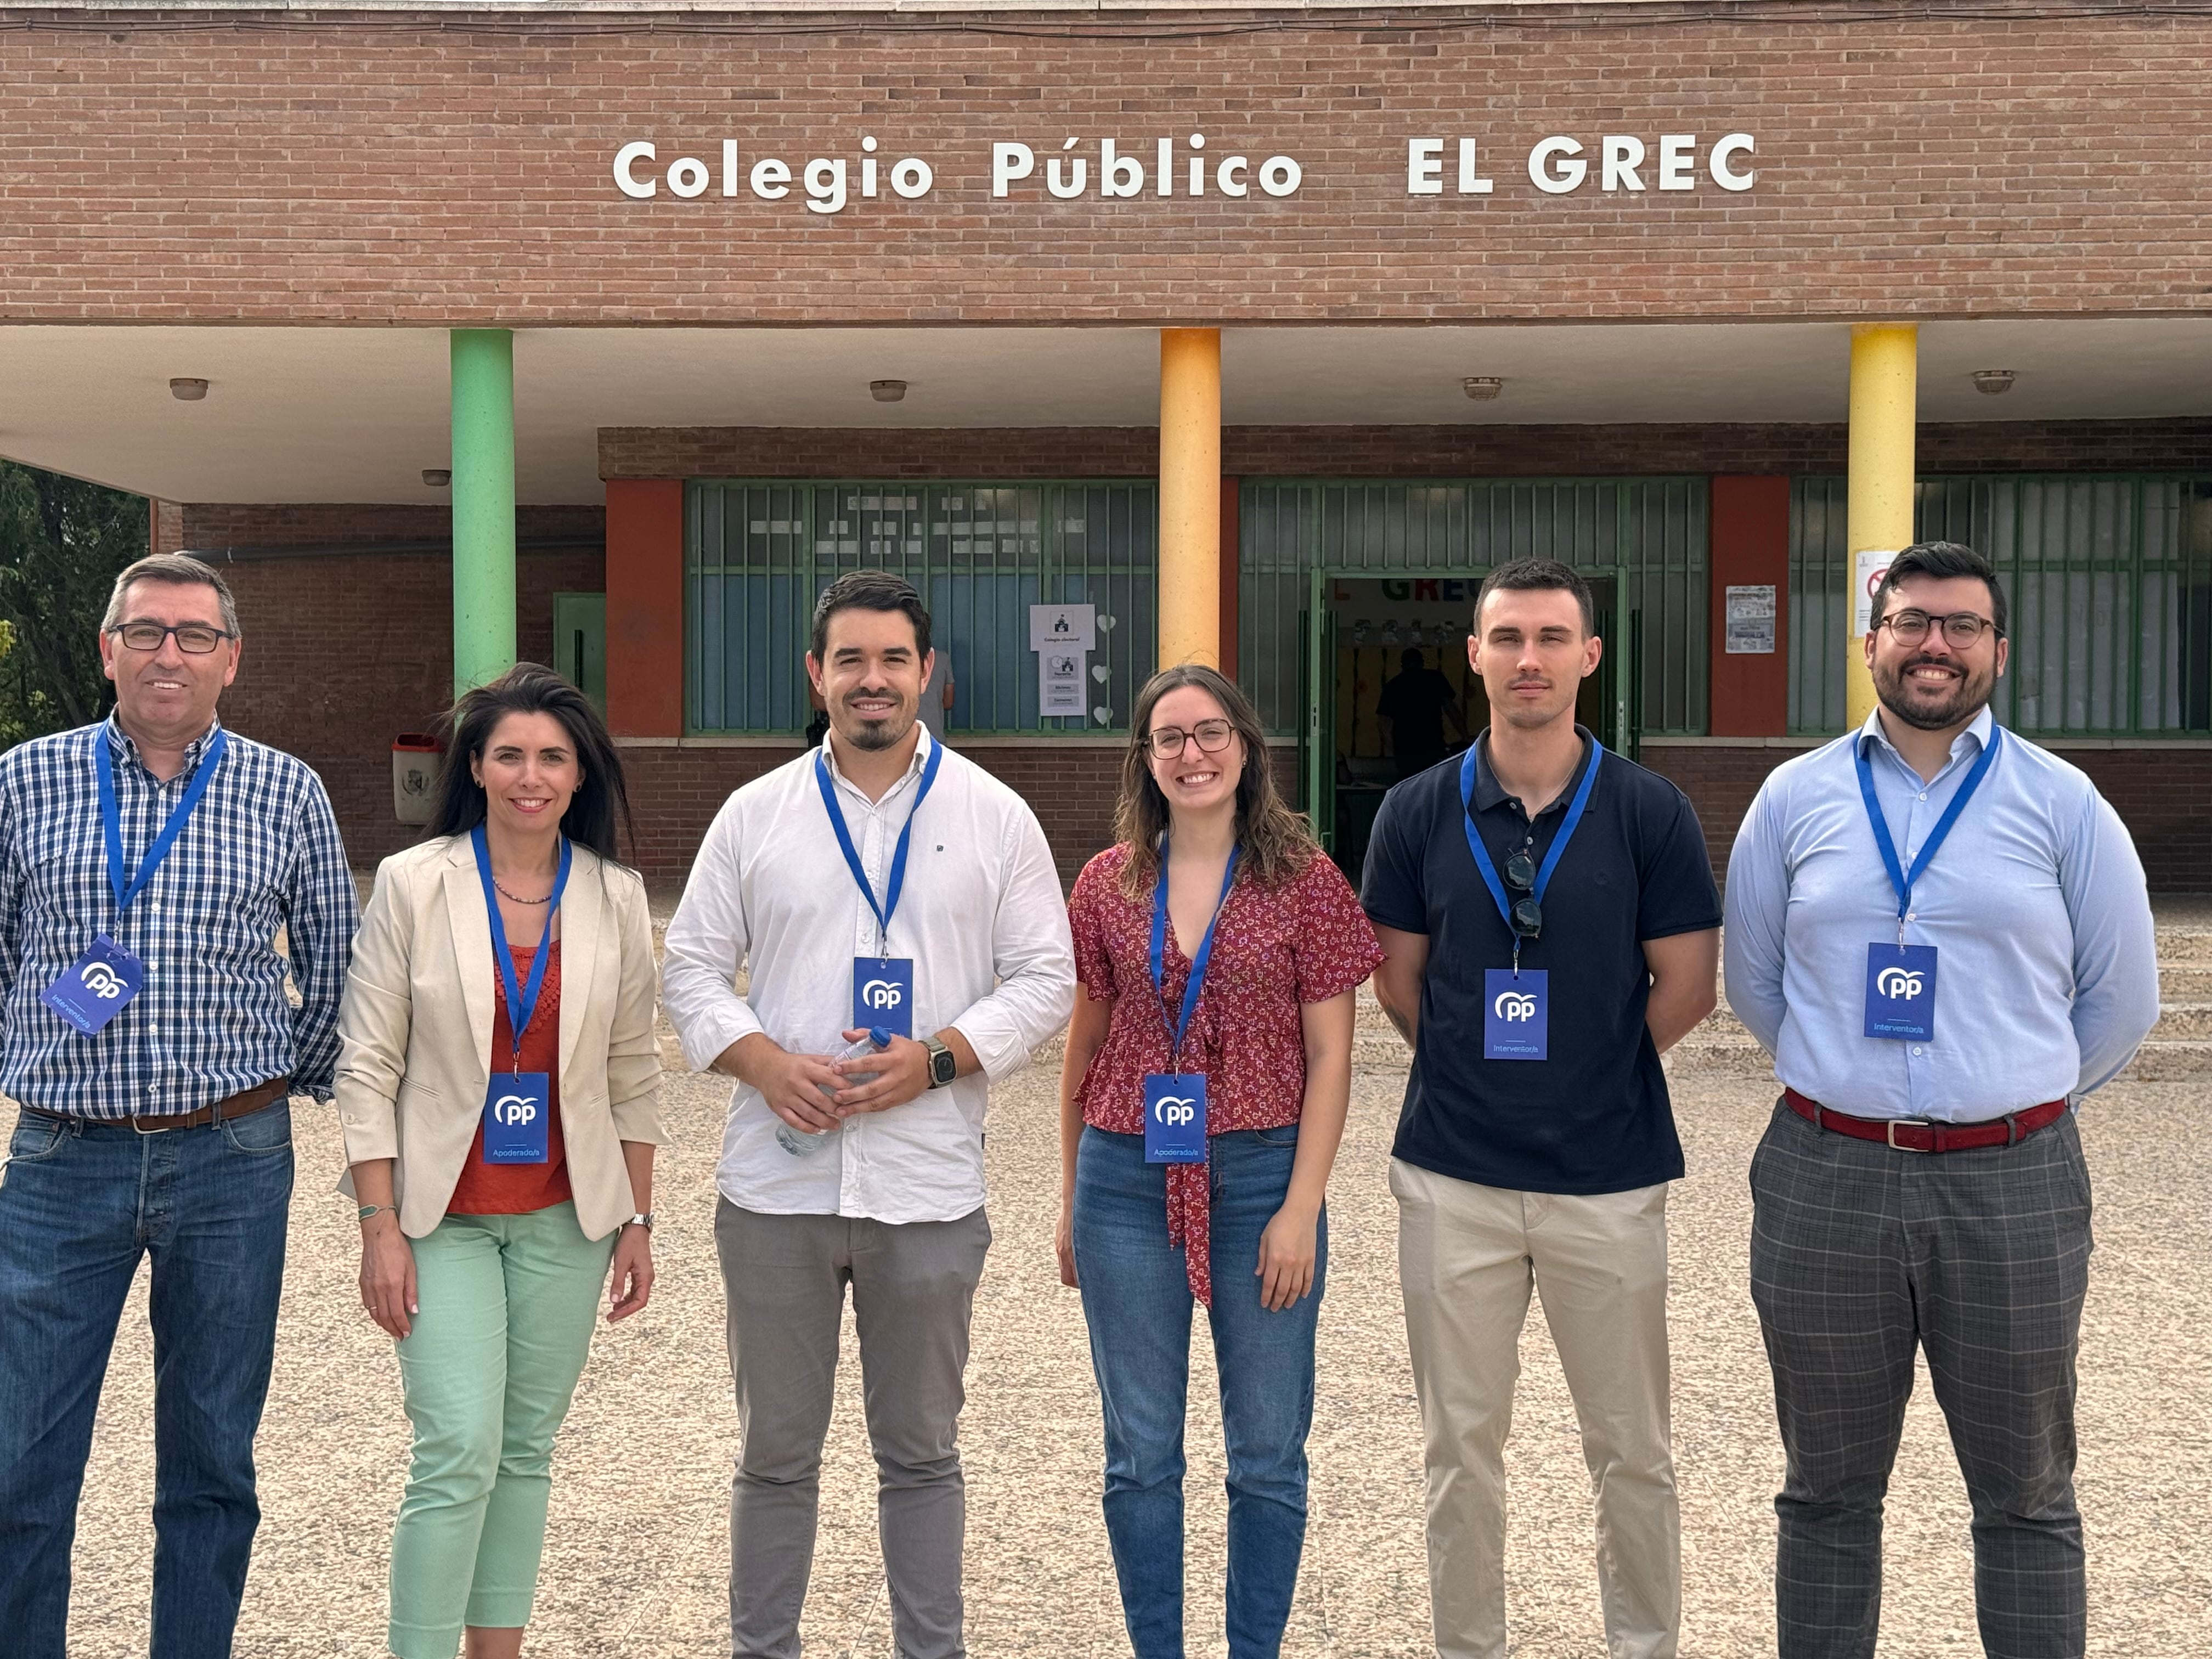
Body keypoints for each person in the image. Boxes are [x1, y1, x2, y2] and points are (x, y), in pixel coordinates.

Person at [1723, 540, 2158, 1659]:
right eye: (1913, 621)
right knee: (1824, 1493)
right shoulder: (1794, 797)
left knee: (2026, 1495)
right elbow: (1758, 981)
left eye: (1963, 626)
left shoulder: (2063, 805)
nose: (1936, 645)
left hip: (2012, 1181)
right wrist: (1853, 1087)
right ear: (1871, 642)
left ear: (1997, 652)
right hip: (1827, 1174)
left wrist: (2012, 1100)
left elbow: (2121, 997)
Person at [662, 569, 1074, 1659]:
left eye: (894, 659)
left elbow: (1046, 977)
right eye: (850, 659)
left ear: (927, 673)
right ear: (817, 674)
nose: (873, 679)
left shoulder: (995, 815)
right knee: (775, 1457)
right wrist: (761, 1063)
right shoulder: (756, 815)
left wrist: (937, 1058)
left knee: (923, 1455)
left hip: (928, 1189)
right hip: (778, 1184)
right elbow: (691, 966)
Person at [0, 552, 359, 1659]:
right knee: (22, 1456)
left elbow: (338, 967)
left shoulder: (287, 789)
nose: (169, 653)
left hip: (231, 1164)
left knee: (211, 1459)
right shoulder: (23, 781)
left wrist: (272, 1082)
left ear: (232, 660)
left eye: (195, 636)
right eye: (147, 631)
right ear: (110, 650)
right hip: (65, 1162)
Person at [1361, 557, 1720, 1659]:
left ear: (1589, 657)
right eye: (1508, 637)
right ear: (1474, 654)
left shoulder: (1649, 810)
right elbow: (1397, 981)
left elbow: (1690, 985)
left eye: (1552, 638)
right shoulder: (1416, 812)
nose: (1529, 659)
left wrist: (1587, 1072)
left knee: (1633, 1450)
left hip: (1608, 1182)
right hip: (1454, 1180)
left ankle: (1643, 1646)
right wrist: (1482, 1069)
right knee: (1459, 1451)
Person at [335, 662, 665, 1659]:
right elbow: (368, 1062)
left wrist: (638, 1220)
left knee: (523, 1452)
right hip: (441, 1216)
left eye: (553, 757)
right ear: (475, 765)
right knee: (457, 1447)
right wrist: (376, 1225)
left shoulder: (615, 895)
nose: (531, 774)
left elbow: (633, 1071)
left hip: (569, 1213)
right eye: (510, 753)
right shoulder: (414, 882)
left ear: (579, 775)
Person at [1057, 664, 1380, 1658]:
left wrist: (1301, 1206)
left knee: (1268, 1455)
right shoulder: (1107, 882)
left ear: (1244, 746)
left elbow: (1332, 1054)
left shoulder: (1304, 879)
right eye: (1169, 738)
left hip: (1261, 1175)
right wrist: (1069, 1194)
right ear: (1145, 760)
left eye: (1208, 733)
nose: (1190, 754)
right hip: (1124, 1177)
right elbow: (1083, 1042)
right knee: (1140, 1454)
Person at [1376, 646, 1466, 781]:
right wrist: (1464, 735)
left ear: (1402, 665)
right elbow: (1451, 710)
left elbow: (1383, 723)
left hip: (1405, 749)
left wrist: (1394, 750)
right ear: (1422, 663)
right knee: (1434, 789)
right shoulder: (1435, 679)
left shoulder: (1393, 685)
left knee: (1409, 791)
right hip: (1432, 744)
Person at [919, 646, 956, 743]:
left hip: (900, 741)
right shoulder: (942, 659)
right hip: (935, 737)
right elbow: (948, 703)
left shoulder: (895, 658)